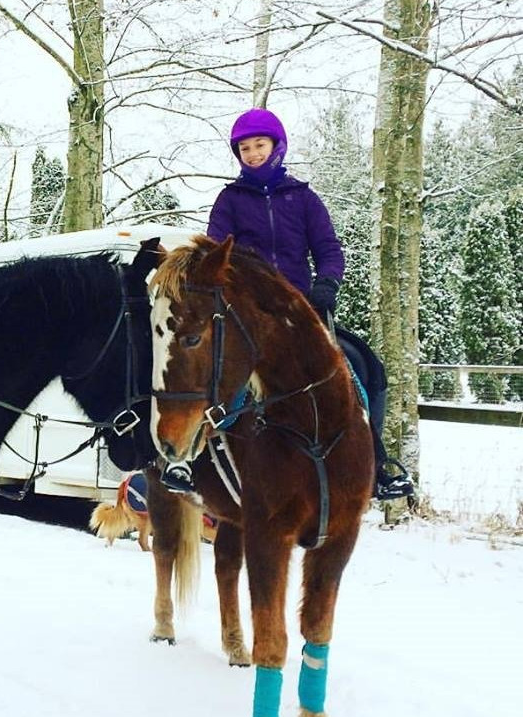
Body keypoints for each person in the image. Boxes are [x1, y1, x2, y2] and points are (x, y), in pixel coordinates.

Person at [161, 107, 413, 502]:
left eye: (260, 145)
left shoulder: (303, 198)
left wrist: (327, 283)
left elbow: (328, 248)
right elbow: (214, 252)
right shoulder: (230, 200)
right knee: (219, 379)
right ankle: (191, 464)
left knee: (356, 372)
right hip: (248, 313)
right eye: (245, 148)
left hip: (301, 310)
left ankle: (377, 465)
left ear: (277, 147)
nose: (253, 153)